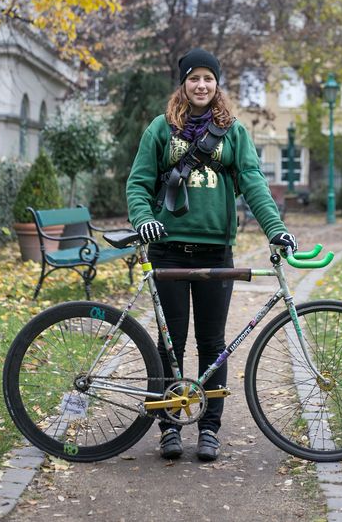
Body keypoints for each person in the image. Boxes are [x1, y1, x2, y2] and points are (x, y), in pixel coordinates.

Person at [126, 47, 298, 462]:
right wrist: (144, 219)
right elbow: (138, 183)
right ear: (183, 84)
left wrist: (276, 229)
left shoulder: (233, 132)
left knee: (213, 344)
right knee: (171, 345)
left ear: (217, 84)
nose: (201, 85)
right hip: (168, 252)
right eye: (193, 78)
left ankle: (209, 429)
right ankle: (169, 427)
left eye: (208, 78)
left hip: (216, 253)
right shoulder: (160, 129)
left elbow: (255, 183)